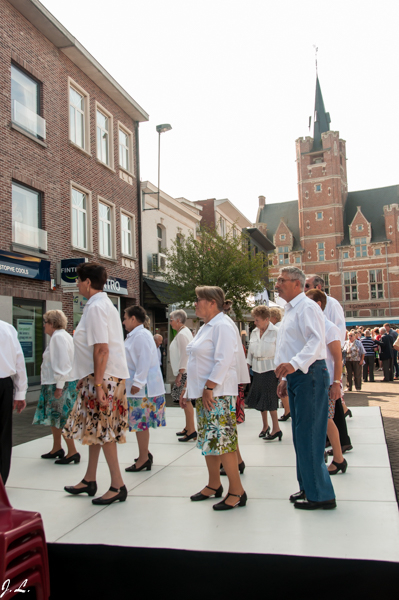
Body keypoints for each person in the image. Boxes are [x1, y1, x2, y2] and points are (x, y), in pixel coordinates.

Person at [63, 263, 130, 505]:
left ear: (88, 283)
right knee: (96, 430)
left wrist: (99, 384)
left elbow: (102, 349)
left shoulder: (96, 307)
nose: (77, 284)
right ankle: (90, 479)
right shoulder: (102, 304)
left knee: (104, 431)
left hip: (104, 379)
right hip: (102, 378)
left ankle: (117, 485)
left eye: (79, 280)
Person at [274, 267, 336, 510]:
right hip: (298, 375)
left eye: (282, 280)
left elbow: (315, 341)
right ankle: (308, 487)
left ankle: (321, 495)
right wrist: (285, 378)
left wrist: (293, 365)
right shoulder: (291, 310)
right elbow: (292, 344)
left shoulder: (307, 307)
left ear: (297, 284)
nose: (277, 284)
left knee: (310, 435)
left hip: (308, 374)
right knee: (301, 436)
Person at [186, 285, 246, 510]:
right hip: (206, 393)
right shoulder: (207, 326)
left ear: (212, 302)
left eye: (198, 299)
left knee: (224, 443)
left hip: (217, 393)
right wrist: (189, 391)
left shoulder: (222, 325)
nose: (195, 304)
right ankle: (214, 484)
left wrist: (209, 387)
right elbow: (196, 361)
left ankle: (237, 491)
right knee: (210, 441)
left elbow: (224, 360)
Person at [305, 289, 347, 475]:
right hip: (316, 380)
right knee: (322, 420)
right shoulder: (313, 326)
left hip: (327, 380)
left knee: (327, 420)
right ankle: (331, 457)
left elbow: (338, 359)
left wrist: (337, 383)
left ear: (318, 304)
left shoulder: (329, 327)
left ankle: (338, 458)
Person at [33, 310, 79, 463]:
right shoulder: (62, 336)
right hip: (58, 383)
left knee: (61, 418)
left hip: (59, 384)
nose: (44, 326)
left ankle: (72, 451)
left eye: (45, 322)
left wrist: (59, 386)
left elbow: (62, 363)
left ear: (52, 323)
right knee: (56, 418)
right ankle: (57, 447)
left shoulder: (58, 337)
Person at [123, 306, 166, 470]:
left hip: (142, 388)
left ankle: (143, 459)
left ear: (134, 319)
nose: (123, 321)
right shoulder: (136, 335)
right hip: (140, 387)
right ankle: (144, 453)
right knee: (139, 423)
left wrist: (137, 383)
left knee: (140, 424)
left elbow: (144, 360)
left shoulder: (140, 336)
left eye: (125, 318)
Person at [246, 305, 281, 440]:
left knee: (270, 399)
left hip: (271, 370)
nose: (255, 322)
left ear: (266, 319)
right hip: (257, 370)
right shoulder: (254, 332)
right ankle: (265, 426)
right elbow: (250, 352)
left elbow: (280, 352)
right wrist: (246, 366)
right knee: (261, 399)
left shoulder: (276, 332)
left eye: (257, 320)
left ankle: (276, 428)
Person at [0, 320, 27, 484]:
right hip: (5, 385)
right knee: (3, 433)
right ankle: (2, 479)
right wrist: (20, 392)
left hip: (5, 383)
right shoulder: (7, 328)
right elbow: (19, 361)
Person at [169, 309, 195, 441]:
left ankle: (191, 430)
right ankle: (188, 427)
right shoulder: (183, 332)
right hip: (184, 371)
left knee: (186, 401)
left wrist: (180, 373)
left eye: (171, 320)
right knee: (184, 402)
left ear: (178, 320)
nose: (170, 322)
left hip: (184, 372)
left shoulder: (182, 334)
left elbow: (186, 355)